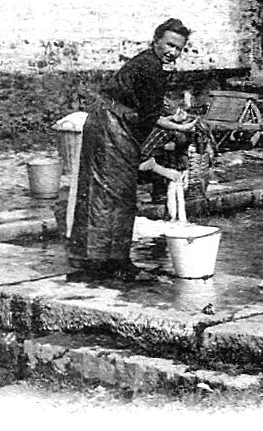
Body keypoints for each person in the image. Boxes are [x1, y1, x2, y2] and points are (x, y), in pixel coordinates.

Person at [68, 18, 196, 282]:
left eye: (179, 48)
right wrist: (177, 126)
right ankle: (102, 263)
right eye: (169, 44)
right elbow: (149, 115)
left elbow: (147, 110)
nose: (173, 51)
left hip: (114, 122)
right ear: (156, 40)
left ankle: (106, 260)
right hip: (110, 126)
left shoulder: (149, 63)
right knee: (109, 192)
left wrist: (168, 121)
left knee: (113, 192)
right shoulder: (151, 68)